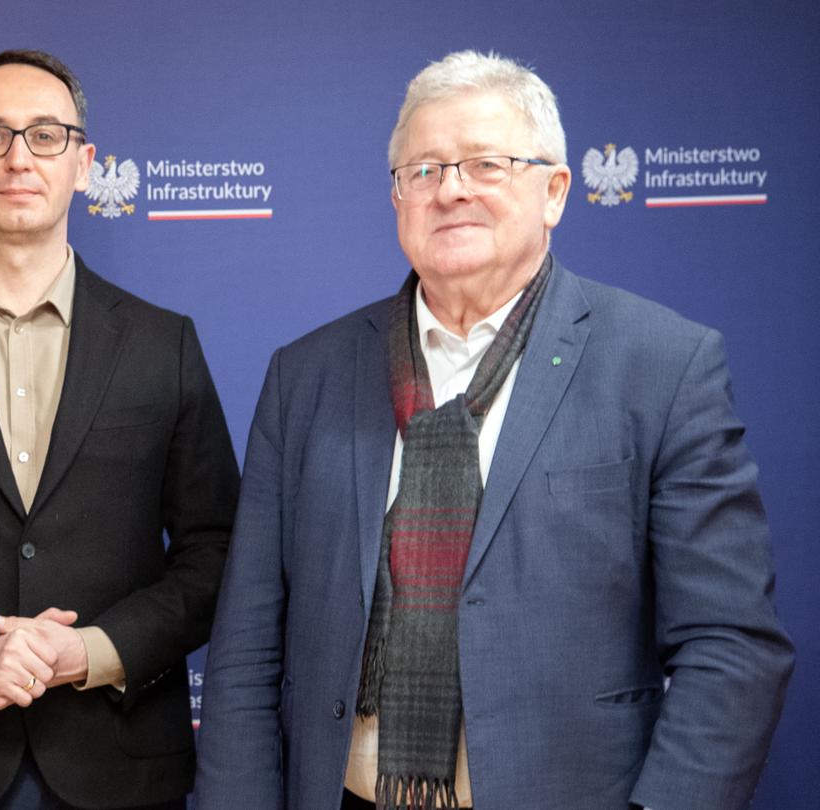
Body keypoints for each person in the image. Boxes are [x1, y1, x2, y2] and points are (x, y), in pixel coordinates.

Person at [195, 50, 794, 810]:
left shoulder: (662, 365)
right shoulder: (307, 375)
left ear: (555, 191)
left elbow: (730, 646)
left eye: (486, 164)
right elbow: (247, 648)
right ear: (397, 196)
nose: (451, 190)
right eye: (424, 170)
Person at [0, 50, 240, 810]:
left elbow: (218, 549)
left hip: (124, 766)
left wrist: (92, 651)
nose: (19, 157)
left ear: (84, 165)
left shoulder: (164, 345)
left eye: (46, 135)